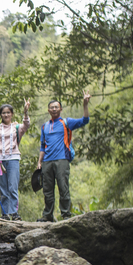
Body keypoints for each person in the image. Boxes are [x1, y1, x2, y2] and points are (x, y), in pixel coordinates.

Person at [36, 92, 91, 222]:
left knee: (63, 187)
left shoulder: (67, 122)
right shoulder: (45, 126)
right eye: (52, 107)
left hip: (62, 159)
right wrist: (39, 162)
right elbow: (43, 146)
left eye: (56, 107)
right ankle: (47, 215)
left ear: (60, 109)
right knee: (47, 190)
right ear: (48, 110)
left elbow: (85, 120)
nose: (54, 109)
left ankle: (66, 215)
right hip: (47, 161)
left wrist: (85, 104)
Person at [0, 100, 31, 220]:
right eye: (3, 113)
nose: (6, 115)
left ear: (12, 114)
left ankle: (14, 212)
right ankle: (5, 213)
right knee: (3, 188)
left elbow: (26, 125)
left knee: (12, 187)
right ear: (1, 115)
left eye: (8, 112)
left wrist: (26, 111)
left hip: (13, 159)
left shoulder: (17, 127)